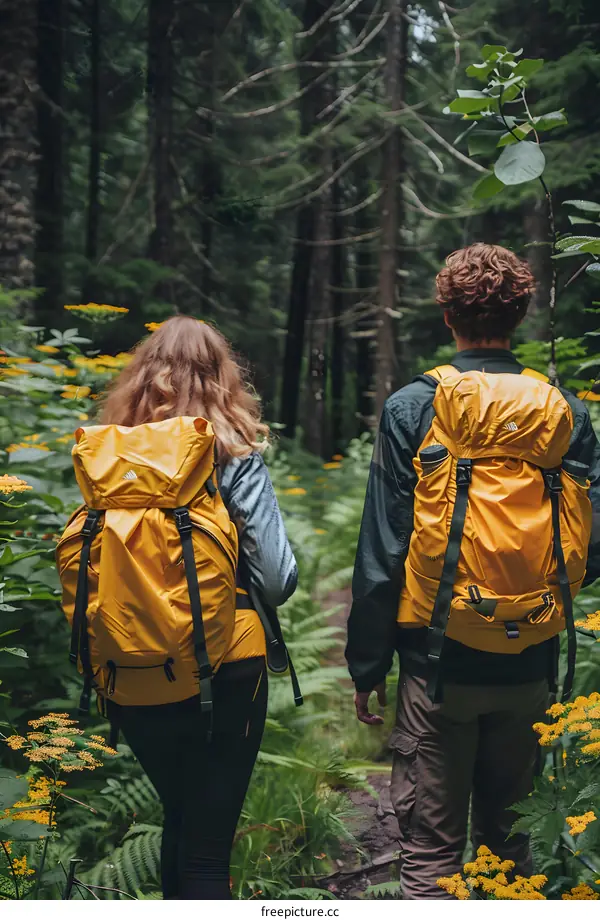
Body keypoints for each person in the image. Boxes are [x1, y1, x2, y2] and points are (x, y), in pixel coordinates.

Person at [345, 243, 600, 899]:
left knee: (430, 855)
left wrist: (367, 668)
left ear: (447, 313)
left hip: (437, 662)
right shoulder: (564, 411)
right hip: (533, 658)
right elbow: (591, 539)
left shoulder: (415, 407)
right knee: (510, 845)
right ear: (520, 314)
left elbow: (384, 551)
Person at [97, 316, 297, 900]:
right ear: (222, 378)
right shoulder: (231, 451)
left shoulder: (106, 457)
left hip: (129, 665)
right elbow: (277, 579)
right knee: (209, 845)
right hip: (226, 662)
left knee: (180, 818)